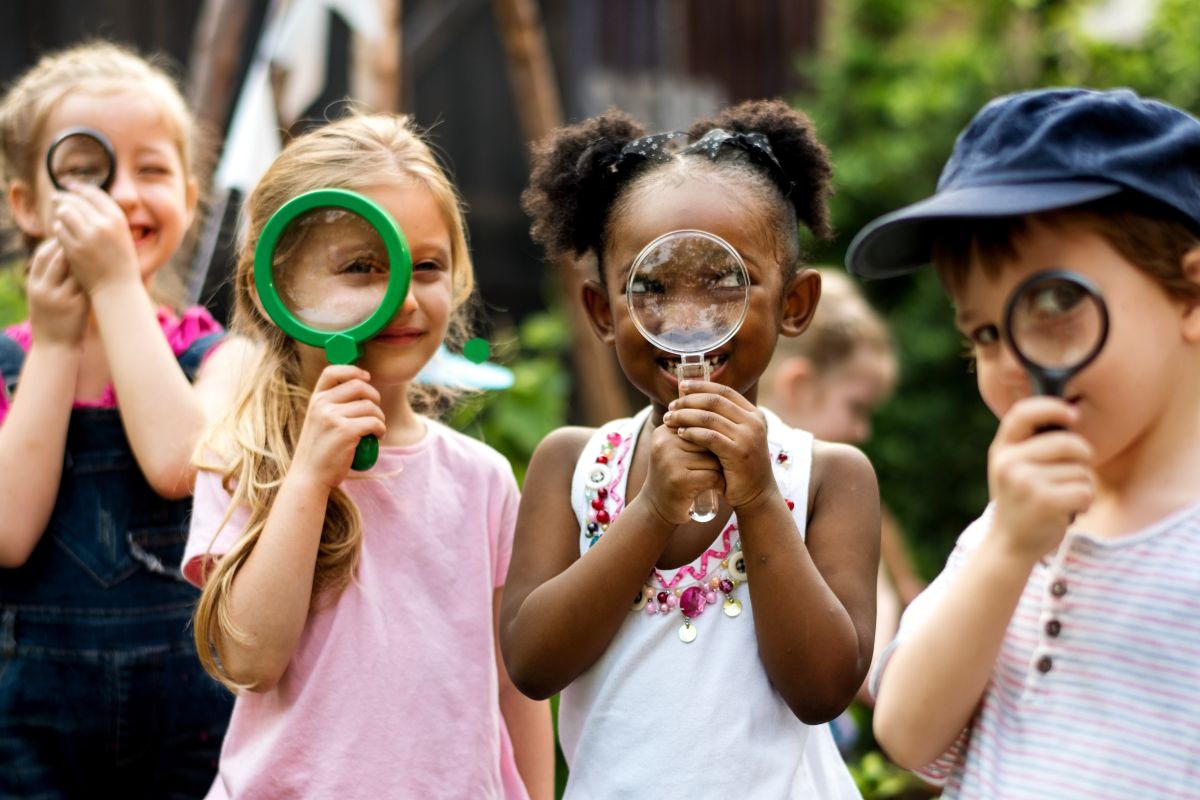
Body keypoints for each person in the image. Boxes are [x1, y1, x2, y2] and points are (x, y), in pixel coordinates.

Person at [502, 99, 880, 797]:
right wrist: (650, 510)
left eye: (722, 282)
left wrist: (761, 497)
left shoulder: (830, 478)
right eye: (649, 288)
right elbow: (531, 662)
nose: (687, 320)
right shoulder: (572, 466)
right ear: (601, 314)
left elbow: (823, 689)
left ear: (795, 305)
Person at [183, 112, 554, 799]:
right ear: (279, 288)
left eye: (430, 267)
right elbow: (248, 659)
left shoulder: (483, 481)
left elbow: (515, 681)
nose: (404, 298)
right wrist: (310, 478)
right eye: (361, 267)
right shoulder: (245, 459)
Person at [847, 88, 1200, 799]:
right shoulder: (1010, 526)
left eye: (1054, 304)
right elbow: (909, 731)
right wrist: (1008, 548)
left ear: (1191, 297)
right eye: (982, 333)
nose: (1012, 361)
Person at [0, 41, 241, 796]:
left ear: (191, 198)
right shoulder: (10, 361)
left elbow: (181, 464)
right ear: (26, 205)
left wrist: (114, 290)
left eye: (153, 170)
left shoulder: (220, 356)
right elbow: (8, 534)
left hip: (192, 718)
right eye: (87, 170)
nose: (123, 194)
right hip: (29, 726)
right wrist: (60, 341)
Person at [758, 268, 924, 746]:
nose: (862, 431)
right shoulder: (798, 507)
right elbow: (868, 670)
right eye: (856, 407)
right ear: (799, 386)